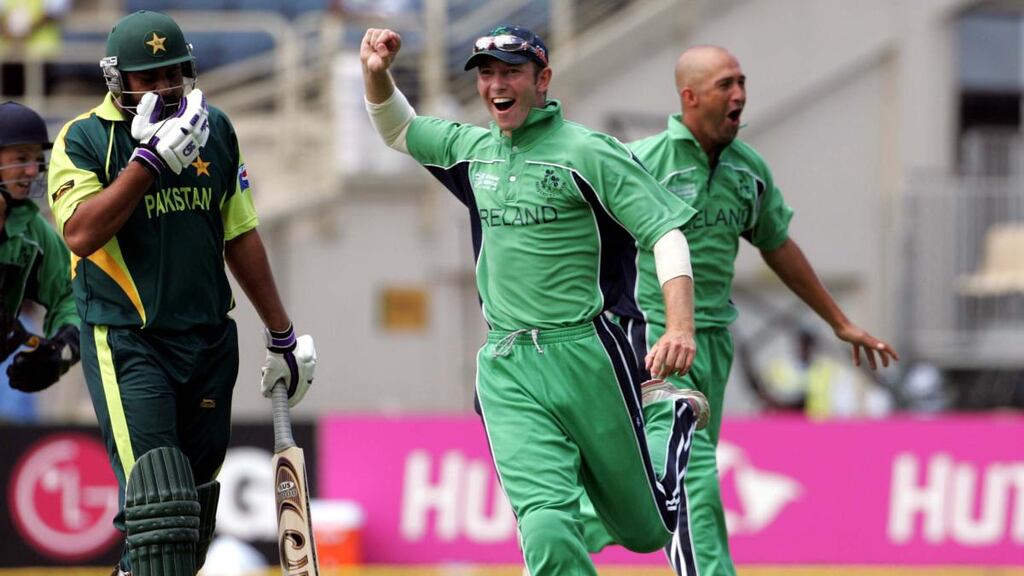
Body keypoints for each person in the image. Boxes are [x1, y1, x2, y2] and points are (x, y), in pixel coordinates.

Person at [362, 25, 710, 576]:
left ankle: (669, 417)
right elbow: (398, 128)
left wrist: (680, 328)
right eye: (487, 73)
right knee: (545, 528)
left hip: (588, 355)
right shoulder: (471, 151)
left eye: (511, 72)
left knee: (647, 530)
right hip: (507, 365)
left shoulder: (588, 152)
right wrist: (376, 75)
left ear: (542, 79)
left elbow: (665, 233)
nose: (497, 84)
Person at [581, 45, 900, 576]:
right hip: (652, 338)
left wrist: (839, 322)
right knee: (692, 470)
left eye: (742, 82)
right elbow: (586, 239)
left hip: (713, 344)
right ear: (690, 96)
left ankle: (565, 529)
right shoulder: (642, 163)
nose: (741, 95)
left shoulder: (748, 170)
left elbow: (777, 244)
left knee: (660, 476)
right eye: (726, 84)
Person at [47, 11, 316, 576]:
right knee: (158, 507)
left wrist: (282, 333)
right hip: (128, 341)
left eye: (173, 74)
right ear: (117, 81)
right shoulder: (86, 138)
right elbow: (80, 232)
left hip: (210, 339)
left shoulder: (215, 128)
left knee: (191, 518)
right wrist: (148, 161)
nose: (165, 89)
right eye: (149, 78)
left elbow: (239, 233)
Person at [0, 101, 79, 404]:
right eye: (21, 158)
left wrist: (61, 351)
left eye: (37, 159)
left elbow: (71, 295)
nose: (33, 170)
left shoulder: (32, 229)